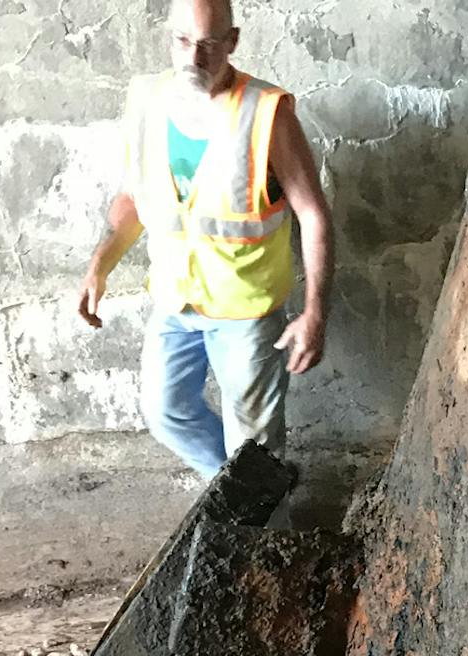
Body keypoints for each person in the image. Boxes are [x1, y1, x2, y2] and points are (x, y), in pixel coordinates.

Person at [75, 0, 333, 477]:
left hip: (246, 314)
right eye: (182, 41)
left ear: (232, 43)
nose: (193, 59)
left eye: (209, 45)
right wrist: (100, 264)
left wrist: (315, 312)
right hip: (175, 304)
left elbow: (313, 213)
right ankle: (236, 499)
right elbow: (135, 197)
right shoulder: (147, 102)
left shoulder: (266, 113)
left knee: (252, 446)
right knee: (166, 413)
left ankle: (262, 537)